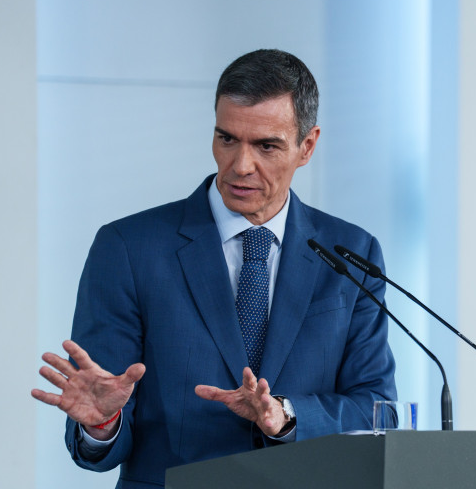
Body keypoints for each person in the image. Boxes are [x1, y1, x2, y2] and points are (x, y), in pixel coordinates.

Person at [31, 49, 397, 488]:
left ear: (307, 146)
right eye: (227, 139)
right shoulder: (129, 248)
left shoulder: (351, 253)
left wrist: (286, 415)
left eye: (266, 145)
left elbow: (378, 409)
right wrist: (102, 423)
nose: (241, 166)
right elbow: (101, 420)